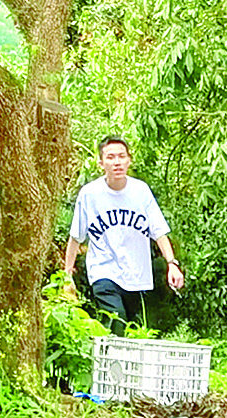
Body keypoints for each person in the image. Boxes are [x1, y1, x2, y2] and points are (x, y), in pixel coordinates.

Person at [63, 136, 183, 335]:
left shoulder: (141, 191)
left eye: (121, 156)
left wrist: (172, 264)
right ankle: (109, 364)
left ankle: (115, 363)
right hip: (103, 271)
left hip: (136, 275)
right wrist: (67, 275)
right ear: (101, 163)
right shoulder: (89, 194)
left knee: (136, 329)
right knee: (116, 319)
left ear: (129, 160)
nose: (117, 162)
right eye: (110, 157)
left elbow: (159, 231)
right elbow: (76, 236)